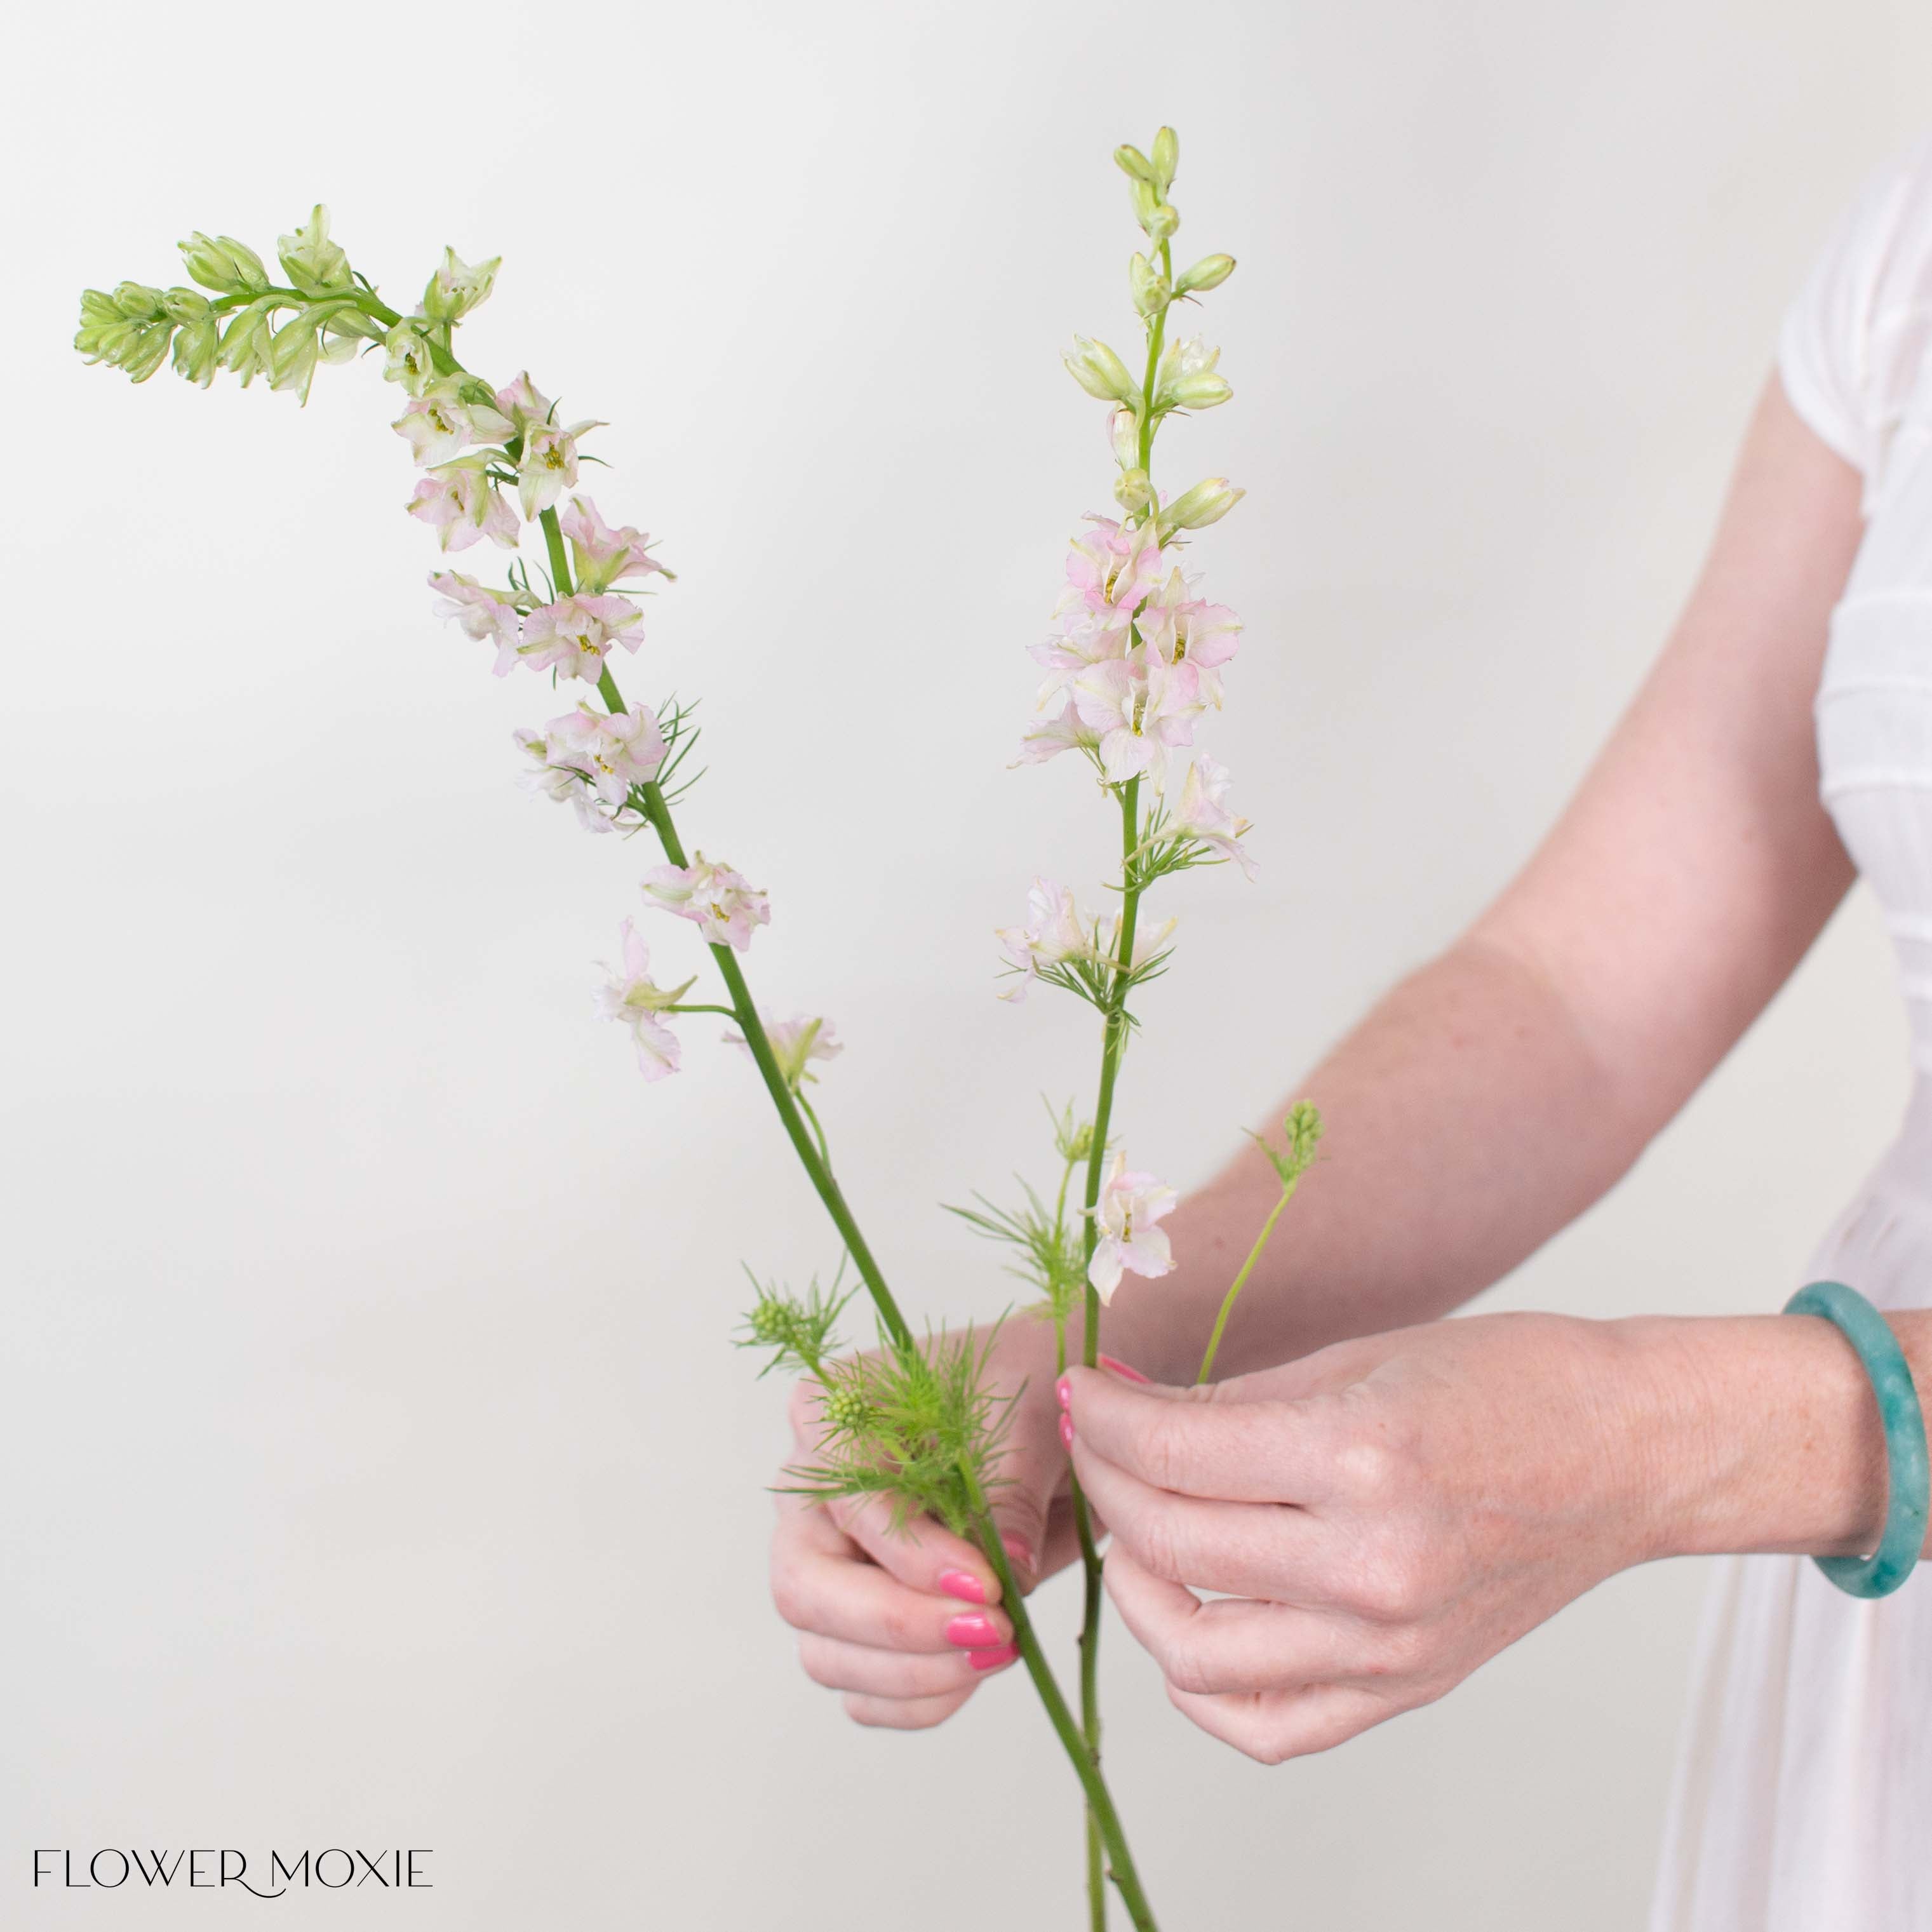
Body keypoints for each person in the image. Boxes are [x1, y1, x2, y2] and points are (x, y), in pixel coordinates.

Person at [767, 135, 1932, 1930]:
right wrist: (1088, 1352)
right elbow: (1578, 998)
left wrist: (1674, 1432)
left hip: (1850, 1470)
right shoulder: (1905, 257)